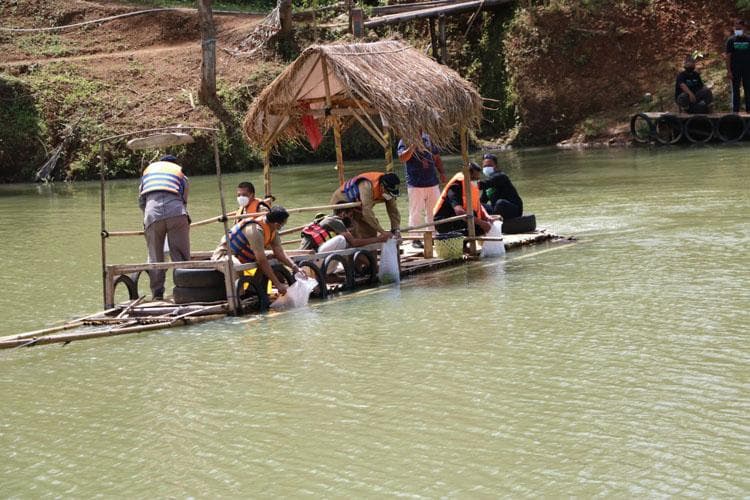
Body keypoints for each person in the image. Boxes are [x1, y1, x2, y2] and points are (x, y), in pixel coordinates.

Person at [211, 206, 300, 295]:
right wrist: (277, 284)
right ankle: (239, 299)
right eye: (283, 224)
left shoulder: (273, 230)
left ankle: (252, 291)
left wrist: (295, 267)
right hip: (225, 255)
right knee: (236, 267)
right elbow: (261, 260)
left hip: (246, 256)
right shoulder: (255, 230)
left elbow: (279, 252)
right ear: (277, 224)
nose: (282, 226)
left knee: (273, 259)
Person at [138, 154, 190, 300]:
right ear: (176, 165)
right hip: (176, 213)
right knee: (180, 255)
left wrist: (150, 218)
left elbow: (142, 201)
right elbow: (184, 200)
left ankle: (157, 294)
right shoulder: (181, 175)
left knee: (155, 256)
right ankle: (184, 289)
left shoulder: (147, 176)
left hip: (152, 215)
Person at [397, 132, 447, 247]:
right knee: (416, 213)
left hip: (432, 182)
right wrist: (413, 145)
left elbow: (436, 157)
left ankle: (434, 235)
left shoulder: (429, 137)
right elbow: (402, 158)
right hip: (415, 183)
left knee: (434, 211)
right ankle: (416, 238)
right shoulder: (405, 139)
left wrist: (442, 172)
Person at [329, 172, 401, 239]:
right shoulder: (366, 186)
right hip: (343, 202)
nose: (390, 196)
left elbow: (393, 210)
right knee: (355, 233)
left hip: (359, 205)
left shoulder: (390, 191)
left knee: (371, 231)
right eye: (388, 193)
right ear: (382, 187)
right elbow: (367, 212)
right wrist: (382, 232)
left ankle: (372, 250)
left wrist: (396, 229)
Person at [299, 203, 391, 253]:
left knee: (345, 243)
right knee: (342, 240)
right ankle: (327, 275)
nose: (351, 219)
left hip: (312, 257)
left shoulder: (327, 220)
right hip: (310, 259)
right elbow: (354, 242)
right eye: (350, 215)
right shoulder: (336, 221)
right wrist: (379, 239)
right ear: (343, 214)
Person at [433, 162, 492, 236]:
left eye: (477, 179)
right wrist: (481, 223)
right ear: (467, 175)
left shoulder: (470, 185)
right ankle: (459, 242)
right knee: (479, 226)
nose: (476, 181)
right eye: (473, 178)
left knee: (482, 223)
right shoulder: (455, 187)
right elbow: (459, 212)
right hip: (444, 222)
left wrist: (486, 216)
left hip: (458, 218)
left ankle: (465, 243)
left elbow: (477, 204)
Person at [478, 153, 524, 220]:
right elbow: (482, 200)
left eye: (489, 165)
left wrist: (467, 182)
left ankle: (492, 220)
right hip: (497, 210)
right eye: (485, 166)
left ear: (496, 166)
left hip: (514, 210)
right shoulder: (488, 184)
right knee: (479, 205)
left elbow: (482, 185)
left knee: (500, 203)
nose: (487, 168)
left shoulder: (501, 176)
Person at [725, 19, 750, 113]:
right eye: (736, 28)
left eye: (739, 28)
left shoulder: (748, 39)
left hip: (747, 69)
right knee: (736, 90)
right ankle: (735, 111)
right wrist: (729, 71)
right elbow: (728, 57)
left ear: (744, 28)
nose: (738, 29)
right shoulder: (731, 40)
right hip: (735, 69)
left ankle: (749, 110)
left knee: (748, 89)